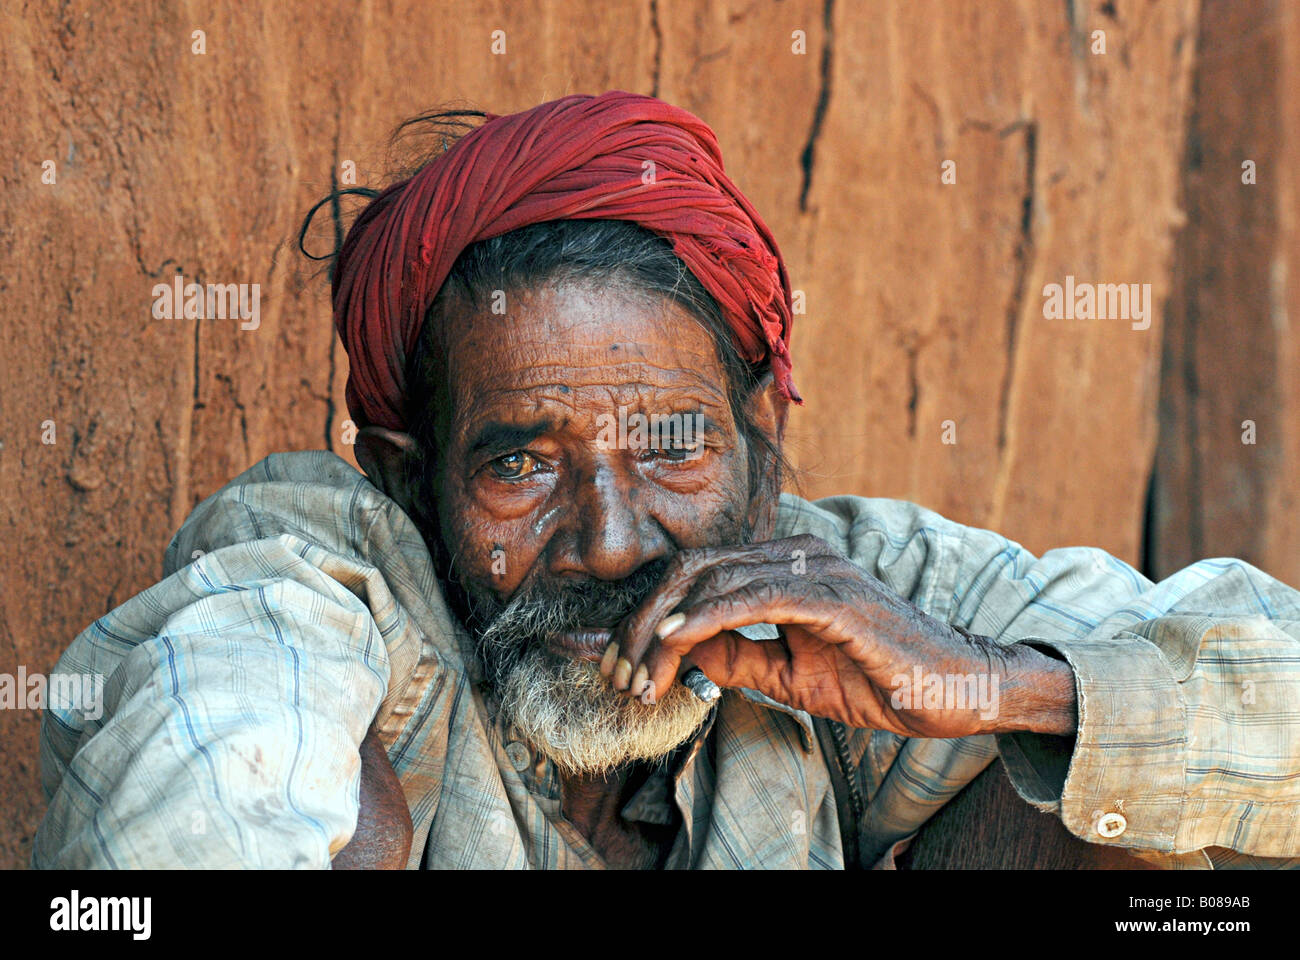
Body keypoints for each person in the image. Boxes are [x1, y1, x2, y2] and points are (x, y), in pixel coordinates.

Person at [34, 92, 1300, 869]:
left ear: (761, 439)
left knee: (1113, 819)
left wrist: (1002, 688)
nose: (611, 540)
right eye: (521, 464)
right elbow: (204, 786)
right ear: (409, 484)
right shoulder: (320, 578)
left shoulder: (847, 589)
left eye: (674, 446)